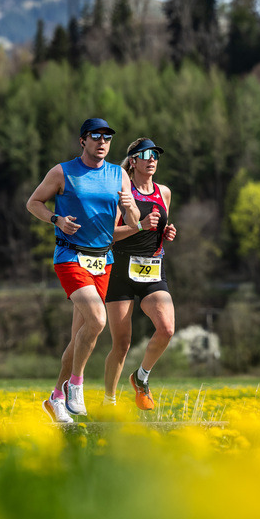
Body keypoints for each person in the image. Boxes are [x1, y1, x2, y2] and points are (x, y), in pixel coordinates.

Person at [27, 117, 140, 423]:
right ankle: (76, 384)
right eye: (96, 136)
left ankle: (56, 397)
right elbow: (33, 203)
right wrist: (56, 220)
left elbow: (135, 221)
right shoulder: (63, 172)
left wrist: (130, 206)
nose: (102, 141)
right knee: (98, 320)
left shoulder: (118, 174)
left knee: (80, 335)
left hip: (102, 260)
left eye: (107, 137)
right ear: (83, 141)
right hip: (70, 256)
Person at [104, 137, 177, 410]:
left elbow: (159, 229)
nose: (152, 159)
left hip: (152, 270)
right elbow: (109, 234)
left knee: (167, 329)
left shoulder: (164, 192)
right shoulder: (122, 193)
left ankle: (141, 377)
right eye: (145, 154)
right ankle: (109, 403)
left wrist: (166, 233)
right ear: (132, 161)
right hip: (120, 270)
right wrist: (141, 226)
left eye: (156, 154)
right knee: (121, 344)